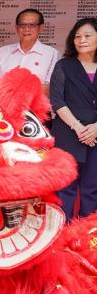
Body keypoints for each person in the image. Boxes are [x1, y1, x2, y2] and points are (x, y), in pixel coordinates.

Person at [50, 18, 97, 221]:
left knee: (91, 187)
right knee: (65, 188)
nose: (81, 40)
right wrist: (79, 128)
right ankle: (62, 234)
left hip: (96, 134)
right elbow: (57, 101)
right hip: (68, 132)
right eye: (77, 36)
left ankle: (88, 237)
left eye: (87, 35)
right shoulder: (64, 65)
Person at [0, 8, 59, 97]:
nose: (26, 29)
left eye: (32, 25)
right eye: (22, 25)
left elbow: (48, 90)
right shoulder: (1, 52)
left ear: (41, 27)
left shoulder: (52, 54)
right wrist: (30, 86)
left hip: (36, 109)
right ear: (16, 28)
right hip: (4, 108)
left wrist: (8, 83)